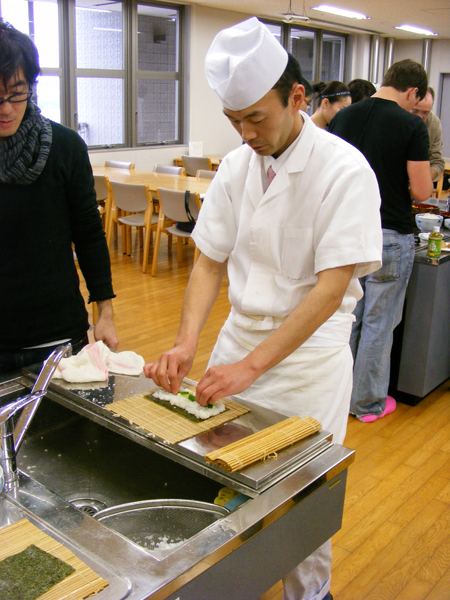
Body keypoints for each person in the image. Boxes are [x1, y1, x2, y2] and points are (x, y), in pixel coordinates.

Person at [146, 17, 382, 600]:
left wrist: (251, 367)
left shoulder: (344, 169)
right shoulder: (235, 167)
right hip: (238, 340)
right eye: (235, 121)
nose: (246, 133)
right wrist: (185, 344)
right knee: (222, 479)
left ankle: (311, 593)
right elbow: (208, 260)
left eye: (257, 117)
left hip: (310, 361)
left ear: (297, 97)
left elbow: (330, 290)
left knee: (302, 500)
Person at [0, 20, 118, 375]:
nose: (6, 108)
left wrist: (106, 314)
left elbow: (89, 234)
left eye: (16, 92)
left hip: (58, 338)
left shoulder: (65, 148)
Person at [329, 59, 433, 423]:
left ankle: (341, 396)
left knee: (349, 317)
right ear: (413, 91)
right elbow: (423, 189)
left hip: (348, 231)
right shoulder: (410, 125)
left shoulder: (344, 117)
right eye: (417, 102)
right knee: (379, 321)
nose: (416, 108)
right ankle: (368, 404)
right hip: (390, 234)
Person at [411, 86, 445, 182]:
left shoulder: (433, 123)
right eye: (415, 111)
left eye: (425, 112)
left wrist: (422, 182)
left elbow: (437, 162)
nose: (420, 117)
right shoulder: (395, 120)